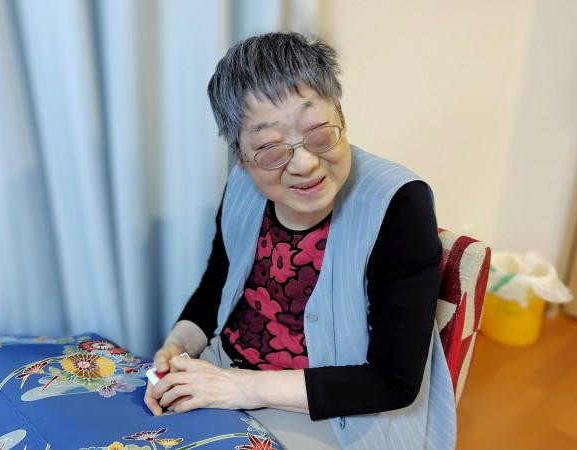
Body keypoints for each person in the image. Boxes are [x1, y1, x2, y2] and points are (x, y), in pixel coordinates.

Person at [144, 32, 456, 449]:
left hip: (338, 410)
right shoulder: (243, 184)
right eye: (270, 149)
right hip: (228, 371)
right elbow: (216, 285)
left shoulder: (398, 204)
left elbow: (392, 382)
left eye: (318, 133)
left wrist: (238, 388)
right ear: (241, 156)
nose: (305, 164)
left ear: (341, 116)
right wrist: (177, 347)